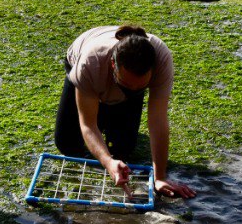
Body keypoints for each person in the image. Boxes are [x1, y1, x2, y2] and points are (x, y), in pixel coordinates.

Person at [54, 24, 196, 199]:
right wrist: (108, 162)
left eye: (140, 86)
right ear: (113, 65)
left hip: (118, 78)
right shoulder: (90, 63)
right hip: (83, 60)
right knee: (67, 144)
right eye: (128, 85)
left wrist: (160, 177)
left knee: (124, 149)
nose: (134, 89)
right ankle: (106, 111)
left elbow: (158, 120)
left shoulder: (162, 60)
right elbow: (88, 125)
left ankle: (111, 113)